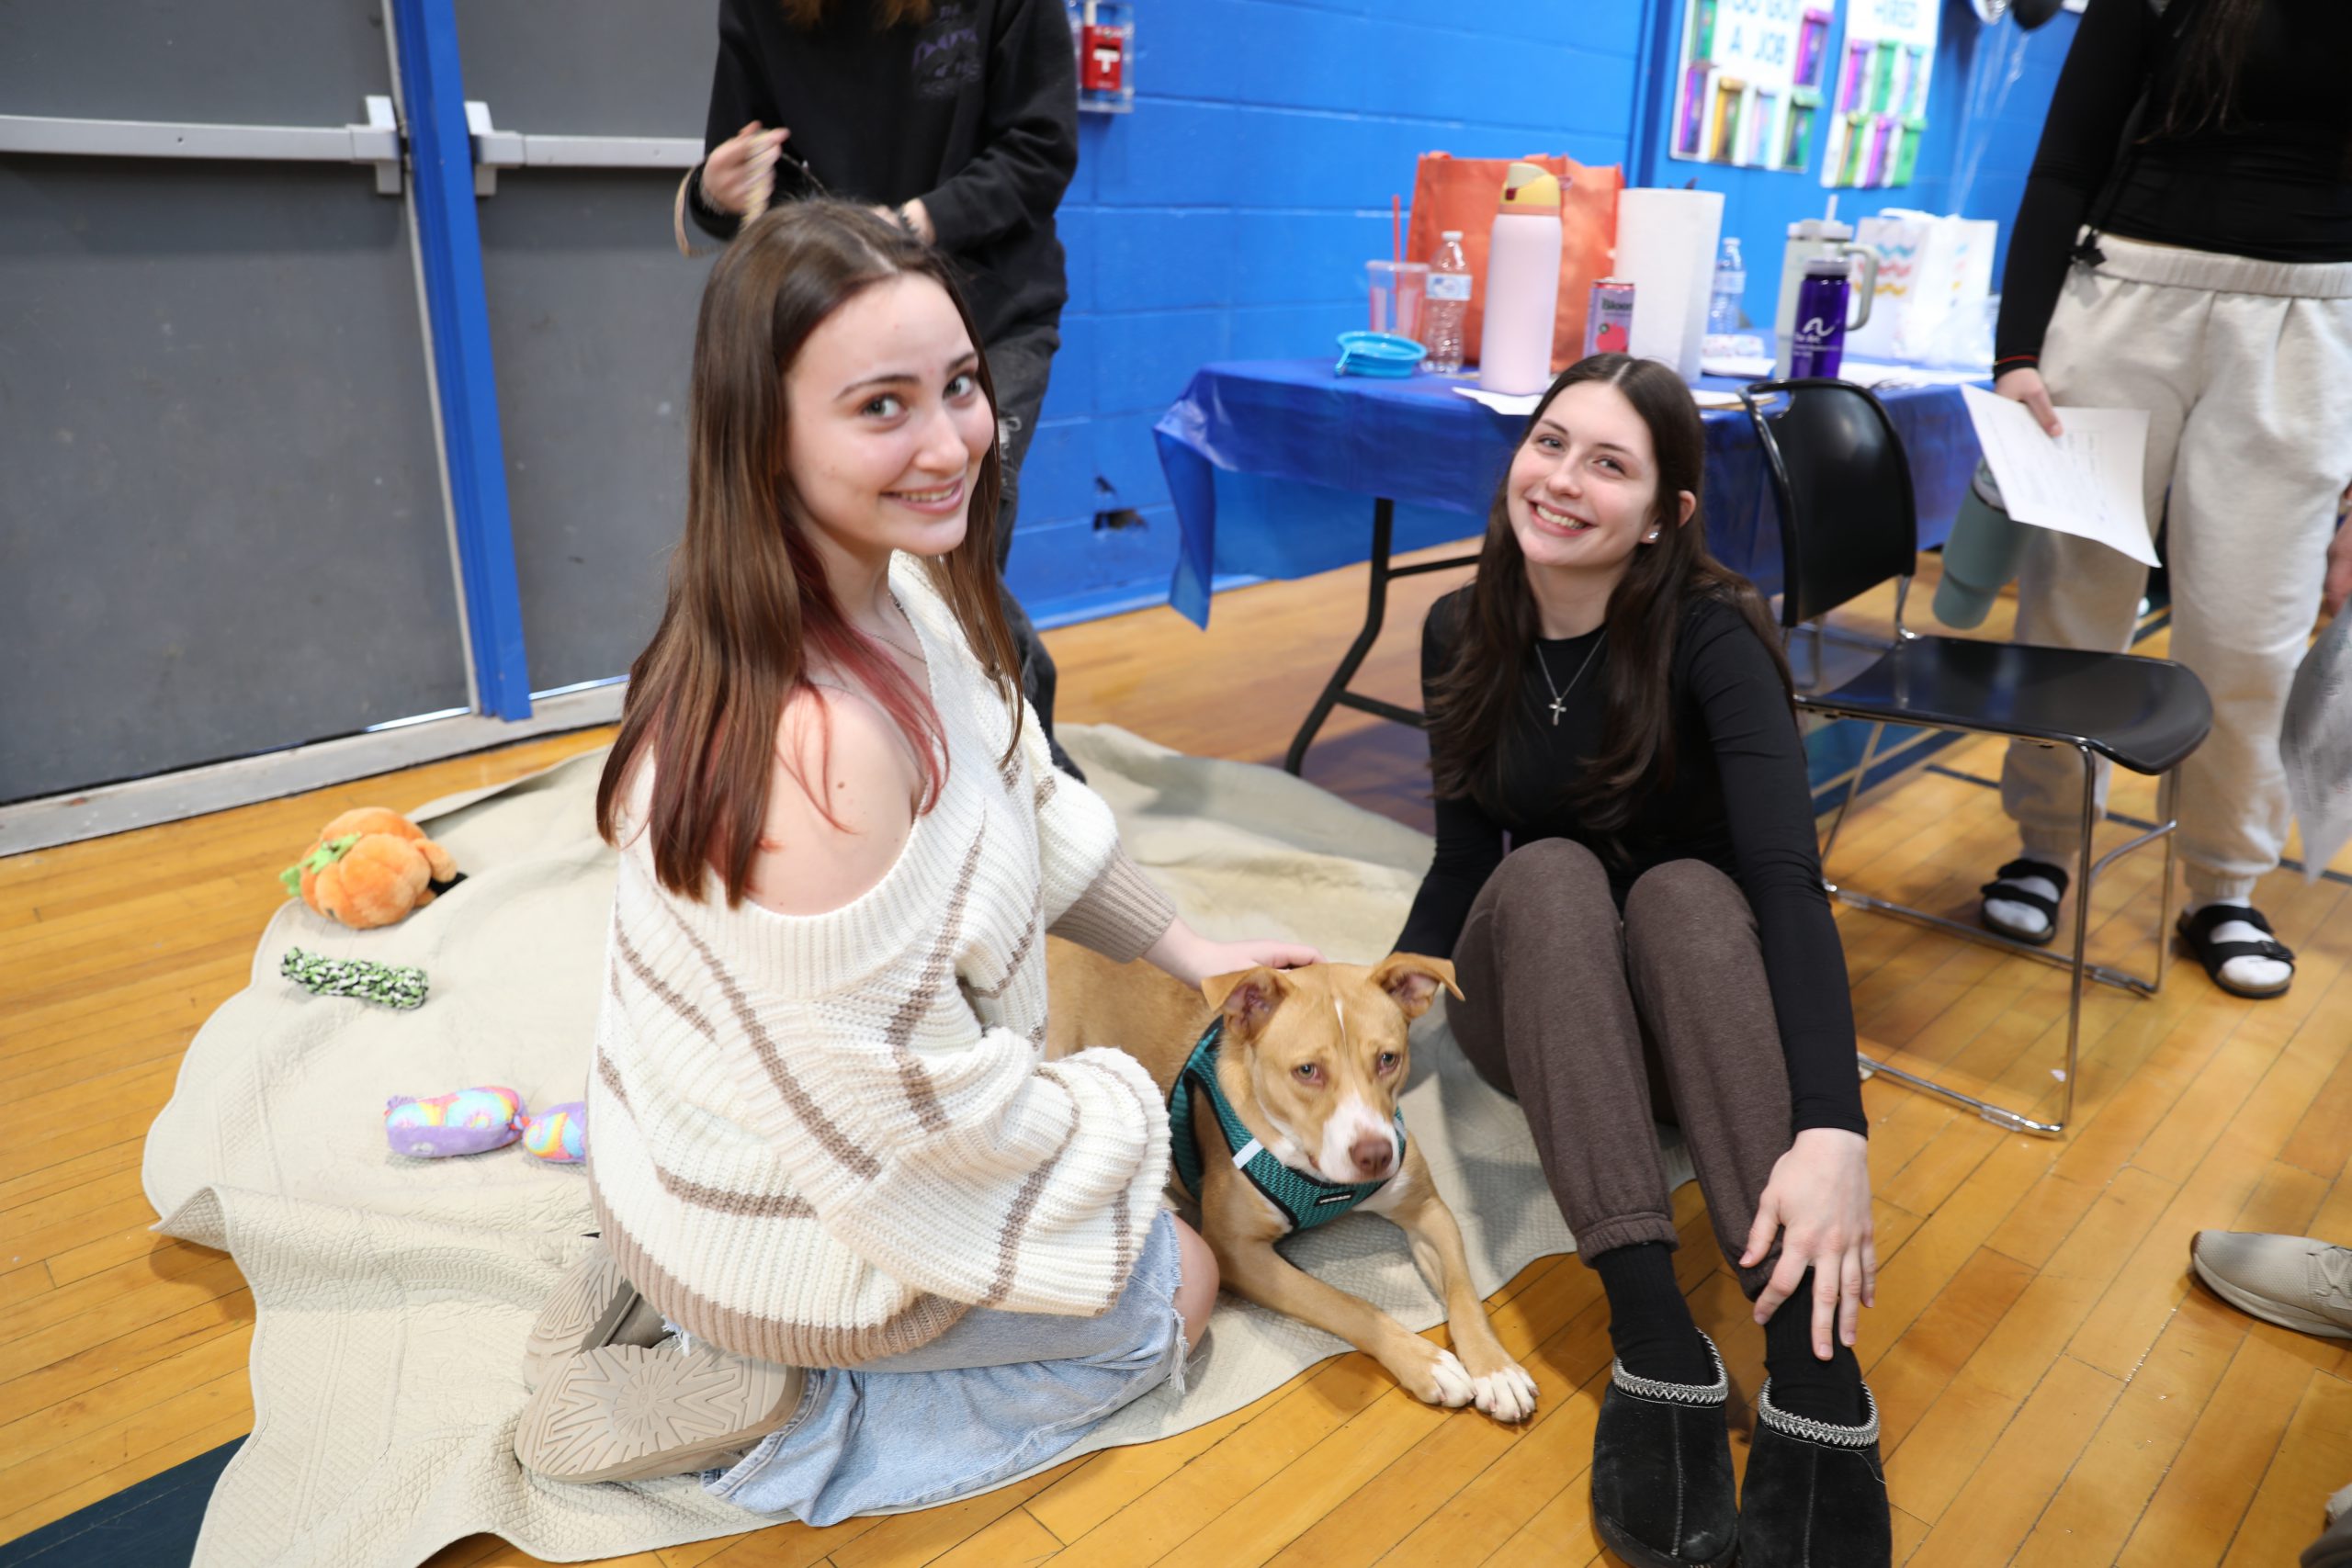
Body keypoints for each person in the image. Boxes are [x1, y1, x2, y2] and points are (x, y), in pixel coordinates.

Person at [511, 202, 1317, 1520]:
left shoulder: (899, 580)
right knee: (1170, 1288)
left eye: (958, 386)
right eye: (882, 406)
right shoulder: (817, 746)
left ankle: (657, 1251)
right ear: (764, 434)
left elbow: (1025, 788)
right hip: (812, 1201)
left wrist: (1187, 942)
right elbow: (906, 1136)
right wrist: (1122, 1119)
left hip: (733, 1116)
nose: (949, 444)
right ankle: (778, 1402)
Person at [1396, 355, 1887, 1566]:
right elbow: (1468, 862)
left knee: (1683, 889)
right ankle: (1654, 1330)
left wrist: (1836, 1125)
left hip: (1695, 1018)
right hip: (1545, 1016)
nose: (1561, 480)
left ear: (1668, 515)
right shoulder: (1463, 625)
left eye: (1608, 463)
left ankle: (1811, 1359)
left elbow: (1785, 884)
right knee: (1550, 872)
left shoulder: (1715, 637)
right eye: (1550, 442)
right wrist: (1370, 1012)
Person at [1982, 0, 2352, 998]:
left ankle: (2223, 884)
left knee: (2249, 634)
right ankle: (2047, 843)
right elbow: (2063, 159)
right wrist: (2016, 350)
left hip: (2311, 326)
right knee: (2071, 610)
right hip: (2123, 304)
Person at [679, 0, 1086, 774]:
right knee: (825, 553)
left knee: (950, 562)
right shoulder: (761, 12)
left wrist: (908, 226)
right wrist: (715, 191)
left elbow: (1039, 149)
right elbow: (736, 184)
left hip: (987, 313)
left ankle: (1035, 774)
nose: (936, 451)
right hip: (831, 336)